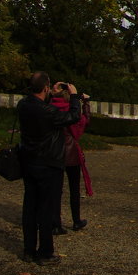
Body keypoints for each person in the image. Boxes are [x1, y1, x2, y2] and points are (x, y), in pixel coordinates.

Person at [16, 72, 81, 265]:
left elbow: (39, 104)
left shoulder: (24, 105)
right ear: (45, 87)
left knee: (30, 207)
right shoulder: (47, 112)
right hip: (48, 163)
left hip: (29, 160)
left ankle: (29, 250)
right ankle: (45, 252)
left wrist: (51, 93)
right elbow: (73, 116)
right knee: (45, 209)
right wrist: (75, 96)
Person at [49, 86, 91, 233]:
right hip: (71, 152)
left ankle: (55, 223)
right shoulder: (72, 112)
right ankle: (76, 220)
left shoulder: (50, 109)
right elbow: (85, 122)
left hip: (55, 153)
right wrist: (86, 104)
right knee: (74, 189)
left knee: (56, 190)